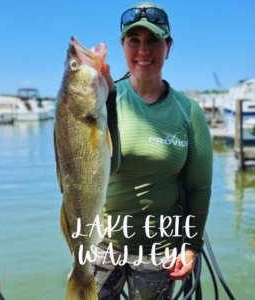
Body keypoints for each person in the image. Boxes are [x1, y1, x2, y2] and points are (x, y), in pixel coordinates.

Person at [97, 2, 213, 299]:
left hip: (159, 252)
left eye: (154, 41)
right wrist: (101, 98)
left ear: (168, 46)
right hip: (99, 246)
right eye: (133, 40)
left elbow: (198, 188)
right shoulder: (101, 100)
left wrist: (191, 247)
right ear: (122, 45)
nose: (143, 51)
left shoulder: (188, 112)